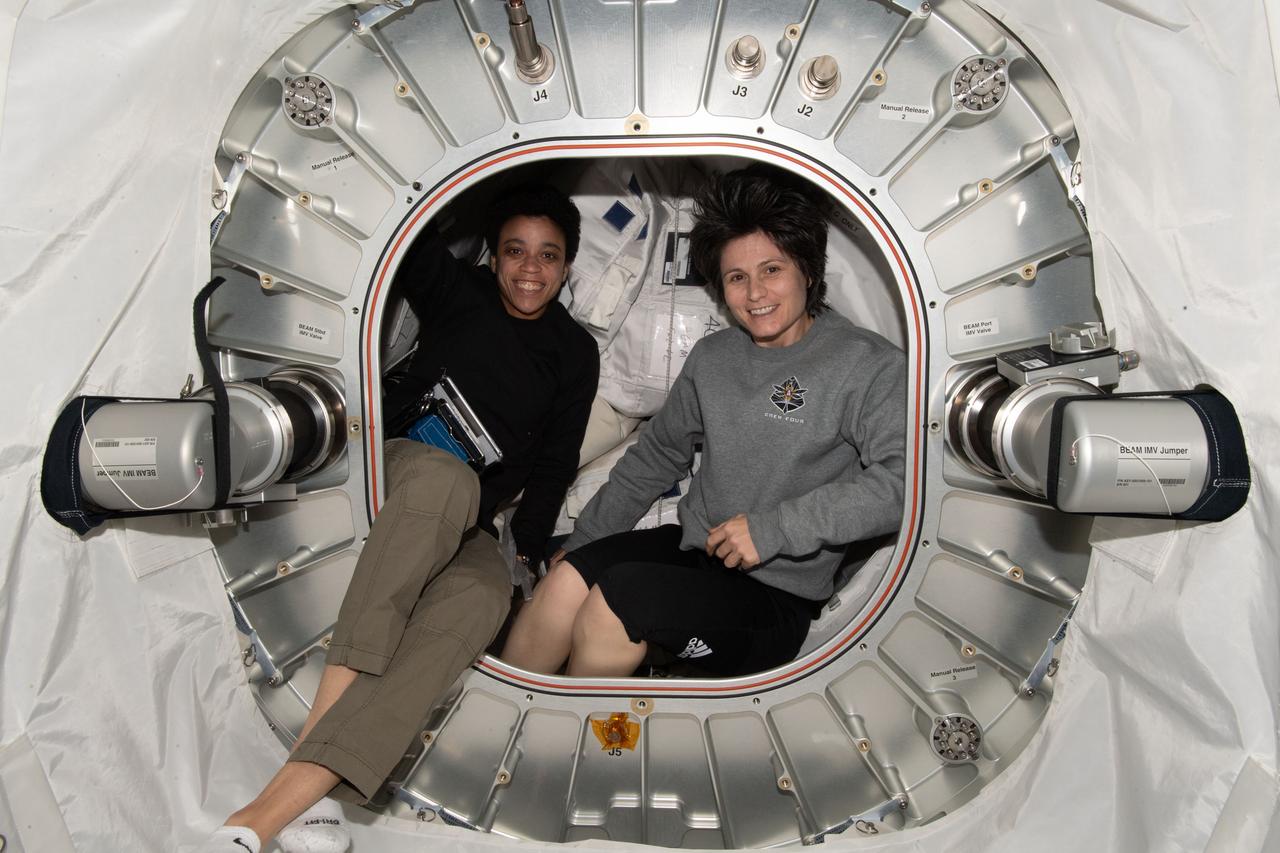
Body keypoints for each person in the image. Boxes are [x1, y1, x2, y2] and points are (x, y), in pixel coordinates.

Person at [198, 184, 598, 853]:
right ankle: (268, 814)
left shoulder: (574, 352)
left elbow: (555, 463)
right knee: (446, 479)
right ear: (494, 257)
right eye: (515, 251)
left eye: (548, 256)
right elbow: (402, 230)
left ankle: (311, 796)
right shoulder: (458, 291)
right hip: (395, 468)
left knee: (481, 595)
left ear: (566, 266)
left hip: (469, 514)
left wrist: (525, 551)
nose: (530, 269)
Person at [501, 167, 905, 679]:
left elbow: (901, 484)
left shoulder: (868, 364)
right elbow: (656, 455)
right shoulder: (714, 357)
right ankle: (501, 738)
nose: (755, 293)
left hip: (778, 594)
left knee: (617, 605)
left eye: (772, 270)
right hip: (696, 553)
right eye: (737, 278)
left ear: (808, 268)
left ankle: (575, 754)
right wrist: (585, 543)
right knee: (564, 581)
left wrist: (775, 528)